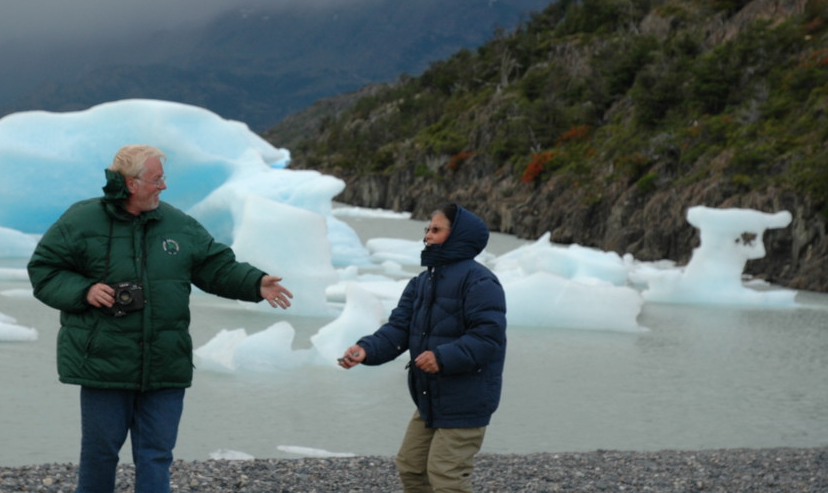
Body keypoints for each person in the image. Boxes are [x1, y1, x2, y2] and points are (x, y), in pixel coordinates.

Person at [28, 144, 293, 493]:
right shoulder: (81, 220)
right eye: (156, 179)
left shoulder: (178, 225)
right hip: (105, 363)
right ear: (131, 183)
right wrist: (85, 291)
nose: (163, 186)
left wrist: (255, 282)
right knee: (100, 453)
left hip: (164, 362)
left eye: (163, 178)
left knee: (156, 455)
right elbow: (44, 269)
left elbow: (216, 266)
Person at [339, 203, 506, 493]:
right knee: (412, 467)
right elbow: (399, 329)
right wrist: (367, 350)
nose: (427, 235)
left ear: (458, 237)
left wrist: (442, 357)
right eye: (427, 229)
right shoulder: (421, 282)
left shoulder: (480, 281)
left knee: (446, 476)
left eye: (436, 229)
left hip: (466, 398)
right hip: (430, 397)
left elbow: (488, 338)